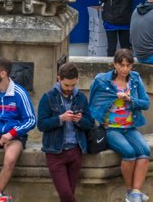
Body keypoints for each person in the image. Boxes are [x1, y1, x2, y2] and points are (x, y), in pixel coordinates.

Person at [88, 50, 151, 202]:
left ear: (132, 66)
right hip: (110, 128)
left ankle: (135, 192)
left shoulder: (135, 79)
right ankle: (129, 191)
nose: (124, 69)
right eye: (121, 65)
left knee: (145, 152)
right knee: (129, 153)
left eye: (128, 65)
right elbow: (93, 103)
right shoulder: (102, 81)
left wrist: (130, 99)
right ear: (115, 64)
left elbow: (146, 103)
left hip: (130, 127)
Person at [0, 57, 37, 202]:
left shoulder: (19, 93)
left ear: (3, 74)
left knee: (10, 159)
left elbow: (31, 120)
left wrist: (11, 134)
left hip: (15, 135)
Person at [37, 62, 94, 202]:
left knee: (69, 194)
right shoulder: (48, 97)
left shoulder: (81, 97)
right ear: (59, 79)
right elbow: (41, 125)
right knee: (66, 195)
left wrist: (79, 120)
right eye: (66, 85)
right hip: (55, 152)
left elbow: (90, 124)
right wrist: (60, 118)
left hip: (75, 151)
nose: (70, 89)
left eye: (73, 85)